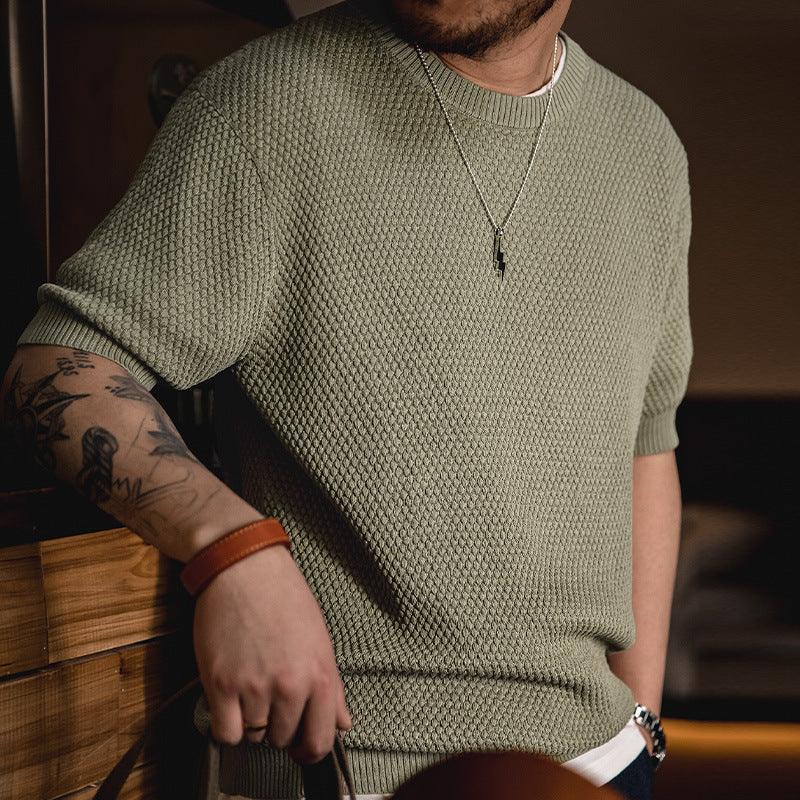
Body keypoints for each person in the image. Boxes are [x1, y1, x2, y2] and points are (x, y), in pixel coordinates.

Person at [1, 0, 691, 798]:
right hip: (349, 773)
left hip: (599, 768)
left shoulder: (645, 148)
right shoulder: (267, 102)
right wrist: (232, 549)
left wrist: (642, 729)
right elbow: (54, 364)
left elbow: (647, 441)